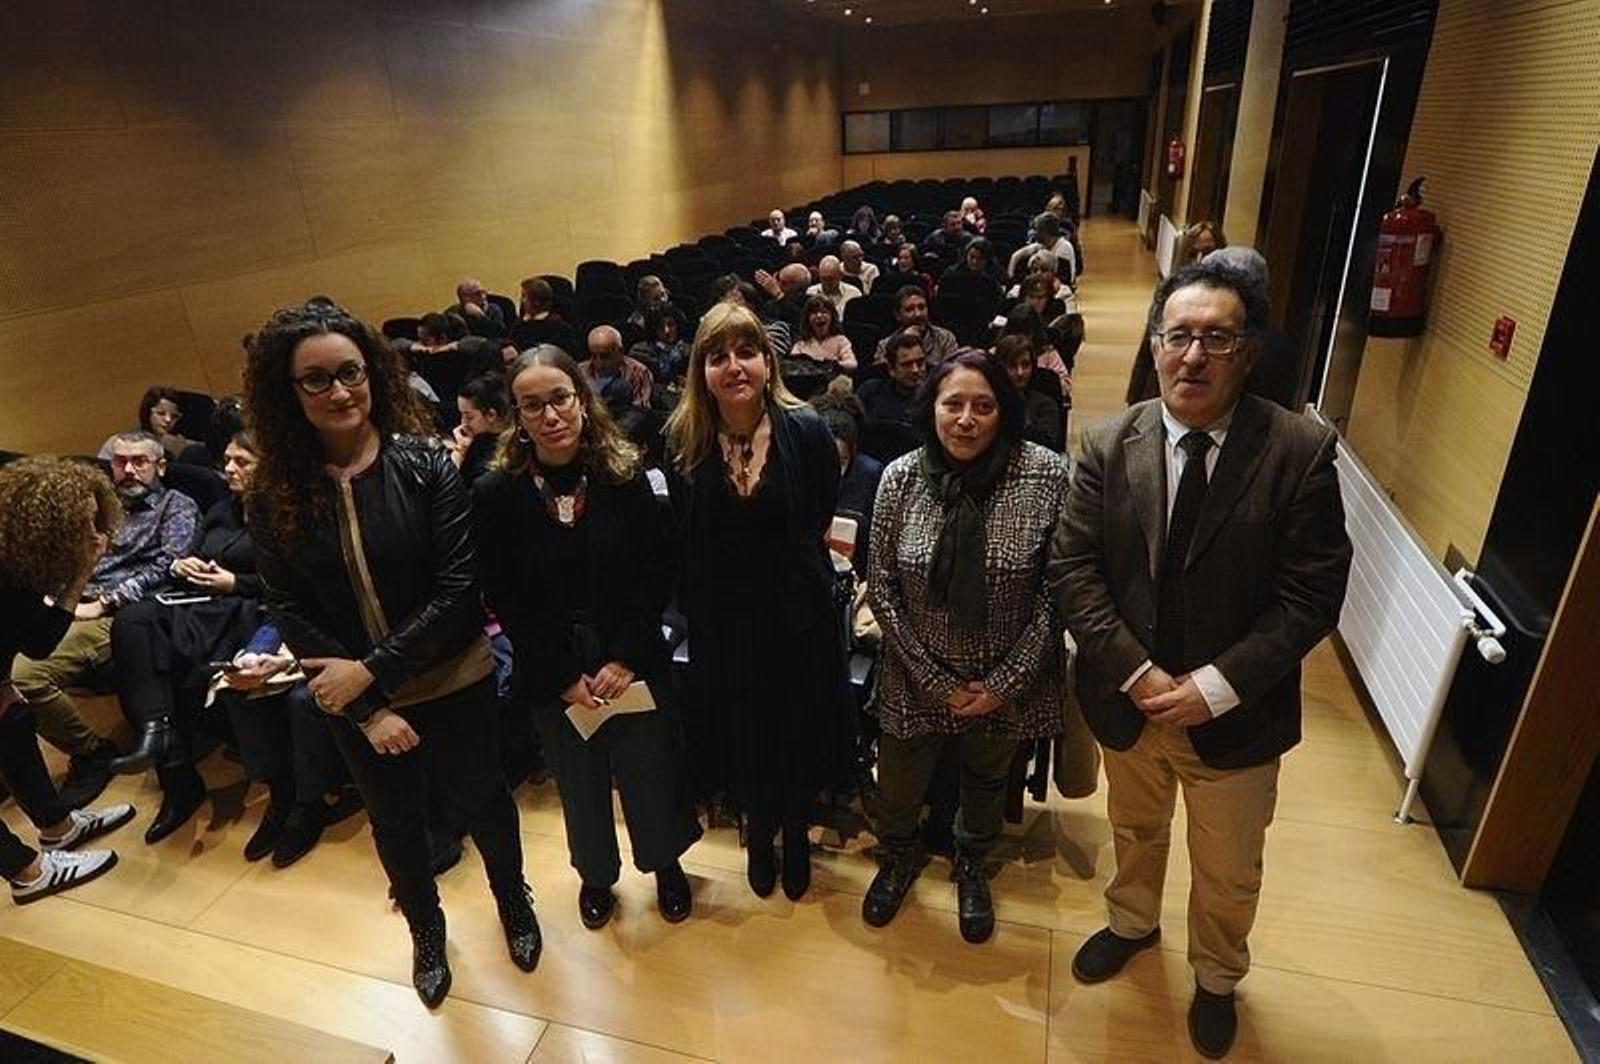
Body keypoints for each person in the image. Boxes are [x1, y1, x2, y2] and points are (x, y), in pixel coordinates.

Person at [1048, 260, 1351, 1058]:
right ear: (1154, 346)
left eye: (1217, 338)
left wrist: (1213, 688)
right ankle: (1131, 923)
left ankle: (1217, 976)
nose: (1194, 356)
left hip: (1236, 714)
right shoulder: (1110, 442)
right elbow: (1074, 570)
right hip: (1131, 703)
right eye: (1179, 336)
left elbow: (1310, 597)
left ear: (1248, 352)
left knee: (1227, 870)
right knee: (1135, 829)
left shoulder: (1298, 451)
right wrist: (1138, 674)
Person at [243, 300, 539, 1008]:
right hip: (354, 701)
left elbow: (458, 590)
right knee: (398, 823)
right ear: (288, 393)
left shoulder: (424, 465)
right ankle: (427, 930)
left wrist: (371, 673)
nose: (339, 392)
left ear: (373, 373)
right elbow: (287, 607)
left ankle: (514, 901)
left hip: (448, 673)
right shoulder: (274, 493)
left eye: (350, 372)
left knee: (484, 801)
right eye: (315, 380)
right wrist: (370, 707)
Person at [474, 346, 701, 930]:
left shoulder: (623, 473)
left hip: (630, 648)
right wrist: (560, 675)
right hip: (552, 659)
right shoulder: (498, 493)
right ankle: (597, 877)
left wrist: (625, 656)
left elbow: (657, 573)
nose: (550, 415)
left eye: (560, 399)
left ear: (581, 399)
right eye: (532, 405)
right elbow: (503, 595)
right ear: (517, 416)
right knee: (578, 780)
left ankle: (665, 865)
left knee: (649, 768)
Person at [862, 350, 1068, 944]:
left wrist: (1001, 684)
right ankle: (898, 855)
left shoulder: (1045, 476)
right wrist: (937, 680)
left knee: (985, 781)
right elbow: (883, 587)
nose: (967, 419)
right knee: (898, 781)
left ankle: (972, 861)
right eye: (953, 404)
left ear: (1005, 411)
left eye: (984, 405)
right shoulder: (901, 477)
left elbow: (1059, 593)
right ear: (932, 409)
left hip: (1006, 677)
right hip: (914, 670)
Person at [664, 303, 854, 902]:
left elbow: (818, 517)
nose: (734, 366)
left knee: (795, 731)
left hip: (797, 619)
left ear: (768, 363)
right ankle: (760, 829)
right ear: (702, 371)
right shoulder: (681, 440)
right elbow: (683, 540)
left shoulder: (807, 432)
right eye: (718, 356)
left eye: (746, 352)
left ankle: (795, 834)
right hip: (726, 622)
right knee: (744, 734)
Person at [12, 432, 199, 809]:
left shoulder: (175, 505)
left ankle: (90, 754)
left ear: (160, 466)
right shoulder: (101, 506)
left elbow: (171, 565)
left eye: (139, 461)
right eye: (119, 461)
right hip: (73, 602)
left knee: (23, 676)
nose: (128, 470)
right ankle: (84, 754)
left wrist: (105, 602)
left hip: (126, 614)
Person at [105, 433, 267, 843]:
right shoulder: (220, 509)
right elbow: (185, 556)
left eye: (241, 462)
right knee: (132, 623)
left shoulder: (287, 513)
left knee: (152, 645)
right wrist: (187, 565)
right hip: (200, 601)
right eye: (227, 460)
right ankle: (161, 741)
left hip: (247, 608)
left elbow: (294, 582)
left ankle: (173, 767)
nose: (228, 469)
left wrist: (235, 581)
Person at [0, 458, 136, 903]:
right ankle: (27, 871)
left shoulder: (15, 552)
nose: (94, 533)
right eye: (85, 527)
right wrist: (83, 571)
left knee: (14, 720)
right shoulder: (10, 575)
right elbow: (41, 643)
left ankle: (56, 825)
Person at [810, 391, 882, 574]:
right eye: (823, 461)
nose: (830, 471)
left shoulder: (871, 476)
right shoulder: (794, 474)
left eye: (839, 462)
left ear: (853, 454)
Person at [995, 335, 1064, 453]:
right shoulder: (989, 402)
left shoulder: (1045, 405)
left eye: (1025, 365)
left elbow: (1047, 445)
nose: (1020, 372)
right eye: (1012, 366)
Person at [872, 287, 958, 367]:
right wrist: (903, 341)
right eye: (909, 309)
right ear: (897, 315)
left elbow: (952, 375)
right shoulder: (884, 346)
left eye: (921, 307)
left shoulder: (945, 339)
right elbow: (884, 377)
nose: (918, 314)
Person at [859, 330, 928, 427]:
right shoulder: (870, 392)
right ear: (891, 369)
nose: (915, 370)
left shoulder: (934, 396)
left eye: (920, 363)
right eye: (907, 364)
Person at [581, 325, 654, 416]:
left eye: (605, 356)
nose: (598, 363)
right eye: (593, 356)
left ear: (620, 351)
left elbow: (640, 412)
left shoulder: (638, 372)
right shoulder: (580, 372)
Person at [511, 277, 581, 358]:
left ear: (536, 301)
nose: (522, 301)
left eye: (524, 296)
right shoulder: (519, 325)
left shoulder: (560, 328)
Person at [791, 295, 857, 374]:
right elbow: (792, 366)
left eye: (824, 312)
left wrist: (831, 365)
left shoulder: (841, 340)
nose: (819, 316)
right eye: (814, 313)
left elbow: (852, 364)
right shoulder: (800, 344)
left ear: (832, 317)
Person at [1007, 213, 1077, 287]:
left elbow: (1058, 279)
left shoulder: (1064, 248)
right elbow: (1015, 256)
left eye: (1036, 230)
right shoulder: (1041, 245)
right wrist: (1010, 278)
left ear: (1045, 231)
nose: (1033, 233)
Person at [631, 302, 691, 387]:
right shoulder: (640, 352)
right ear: (653, 329)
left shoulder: (689, 352)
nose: (667, 331)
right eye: (660, 327)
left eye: (671, 325)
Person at [139, 386, 197, 460]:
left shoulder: (179, 443)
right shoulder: (133, 443)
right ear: (147, 413)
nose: (168, 420)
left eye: (174, 416)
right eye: (161, 413)